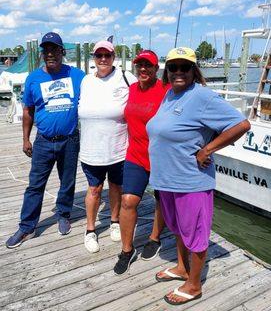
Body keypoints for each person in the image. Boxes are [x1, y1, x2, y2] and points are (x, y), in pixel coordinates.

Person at [146, 47, 251, 305]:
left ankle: (194, 284)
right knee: (180, 229)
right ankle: (182, 268)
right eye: (173, 67)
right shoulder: (170, 94)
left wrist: (208, 149)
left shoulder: (202, 96)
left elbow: (241, 124)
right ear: (167, 71)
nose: (178, 72)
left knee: (195, 232)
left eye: (185, 67)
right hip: (167, 180)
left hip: (191, 181)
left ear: (194, 71)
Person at [6, 32, 85, 248]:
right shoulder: (33, 78)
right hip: (43, 140)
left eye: (54, 49)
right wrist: (25, 139)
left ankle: (64, 213)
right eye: (46, 50)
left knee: (67, 181)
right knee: (35, 185)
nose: (50, 54)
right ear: (42, 53)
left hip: (70, 140)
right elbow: (28, 110)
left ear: (62, 52)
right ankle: (27, 226)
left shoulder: (78, 75)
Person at [113, 50, 168, 275]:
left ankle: (154, 238)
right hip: (135, 155)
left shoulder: (166, 90)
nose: (143, 69)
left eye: (148, 65)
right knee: (128, 201)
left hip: (162, 157)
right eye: (140, 65)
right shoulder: (132, 89)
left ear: (156, 69)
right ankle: (127, 251)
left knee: (161, 199)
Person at [79, 40, 137, 253]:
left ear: (114, 58)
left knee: (115, 186)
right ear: (93, 58)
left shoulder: (126, 77)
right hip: (90, 149)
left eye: (108, 55)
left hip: (118, 148)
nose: (103, 59)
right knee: (94, 189)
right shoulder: (86, 81)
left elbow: (145, 94)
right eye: (99, 55)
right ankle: (90, 230)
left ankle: (114, 221)